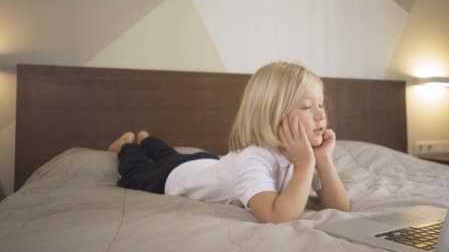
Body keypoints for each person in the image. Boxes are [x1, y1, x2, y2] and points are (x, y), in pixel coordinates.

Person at [110, 61, 351, 223]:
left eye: (320, 104)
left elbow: (341, 208)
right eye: (308, 107)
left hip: (207, 162)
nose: (321, 115)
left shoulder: (304, 153)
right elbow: (275, 216)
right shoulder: (255, 158)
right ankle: (126, 145)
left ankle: (147, 138)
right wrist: (305, 165)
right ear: (271, 114)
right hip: (173, 177)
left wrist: (322, 159)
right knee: (137, 170)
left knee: (169, 154)